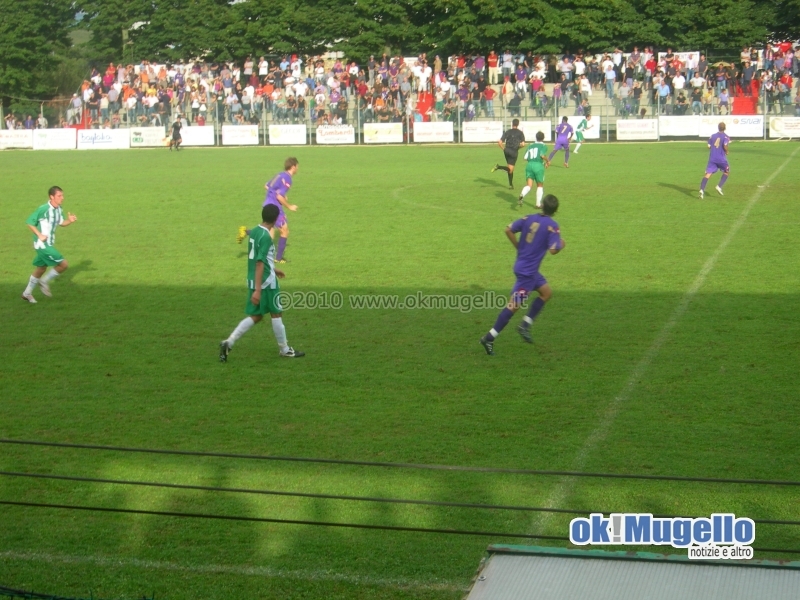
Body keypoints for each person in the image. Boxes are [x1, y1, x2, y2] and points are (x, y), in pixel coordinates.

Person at [479, 194, 565, 355]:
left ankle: (525, 325)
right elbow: (554, 250)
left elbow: (508, 229)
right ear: (555, 211)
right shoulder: (552, 226)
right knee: (513, 306)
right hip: (528, 274)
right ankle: (489, 338)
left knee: (546, 293)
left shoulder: (528, 218)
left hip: (526, 268)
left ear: (542, 205)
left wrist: (519, 247)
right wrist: (561, 244)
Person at [220, 204, 304, 361]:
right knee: (276, 313)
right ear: (276, 218)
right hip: (266, 283)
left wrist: (274, 268)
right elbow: (260, 262)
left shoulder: (255, 231)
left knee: (256, 316)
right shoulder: (266, 236)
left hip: (254, 279)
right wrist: (259, 290)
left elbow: (261, 257)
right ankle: (285, 349)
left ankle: (228, 342)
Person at [237, 157, 299, 266]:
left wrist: (281, 195)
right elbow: (279, 196)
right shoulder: (288, 179)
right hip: (275, 206)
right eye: (297, 166)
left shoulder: (279, 175)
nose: (298, 169)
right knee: (284, 231)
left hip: (267, 204)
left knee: (269, 232)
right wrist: (289, 206)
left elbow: (266, 186)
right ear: (293, 166)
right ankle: (278, 258)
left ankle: (246, 232)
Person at [22, 186, 78, 304]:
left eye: (62, 195)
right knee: (63, 264)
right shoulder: (43, 209)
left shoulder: (58, 209)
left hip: (49, 244)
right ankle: (44, 281)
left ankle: (27, 293)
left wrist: (69, 221)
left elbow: (61, 223)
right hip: (42, 244)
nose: (62, 198)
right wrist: (39, 235)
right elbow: (29, 222)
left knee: (41, 268)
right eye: (59, 196)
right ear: (51, 197)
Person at [517, 131, 550, 208]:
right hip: (538, 166)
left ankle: (522, 194)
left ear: (536, 137)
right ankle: (538, 204)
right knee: (540, 185)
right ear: (543, 138)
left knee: (529, 185)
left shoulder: (530, 145)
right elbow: (542, 155)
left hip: (529, 165)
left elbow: (525, 158)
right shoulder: (543, 146)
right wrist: (548, 161)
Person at [491, 118, 526, 189]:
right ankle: (498, 167)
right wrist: (518, 148)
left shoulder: (508, 132)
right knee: (510, 169)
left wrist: (504, 149)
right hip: (514, 152)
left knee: (510, 169)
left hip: (506, 151)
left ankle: (510, 185)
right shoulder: (520, 133)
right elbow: (523, 144)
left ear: (512, 124)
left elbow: (499, 142)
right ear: (518, 124)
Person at [699, 122, 730, 199]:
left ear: (718, 127)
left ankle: (701, 190)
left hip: (712, 158)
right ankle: (719, 186)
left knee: (708, 174)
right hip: (721, 159)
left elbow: (708, 146)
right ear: (725, 128)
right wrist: (726, 151)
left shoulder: (712, 136)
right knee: (726, 171)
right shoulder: (726, 137)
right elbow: (725, 145)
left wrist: (714, 148)